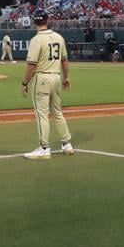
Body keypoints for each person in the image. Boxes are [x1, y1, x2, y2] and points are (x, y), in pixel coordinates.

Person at [21, 11, 73, 160]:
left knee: (42, 114)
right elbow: (64, 60)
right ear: (47, 20)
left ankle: (44, 148)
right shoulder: (59, 37)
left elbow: (31, 65)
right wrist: (66, 77)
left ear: (34, 23)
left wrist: (25, 83)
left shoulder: (36, 40)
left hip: (42, 78)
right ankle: (66, 144)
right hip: (56, 77)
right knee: (57, 112)